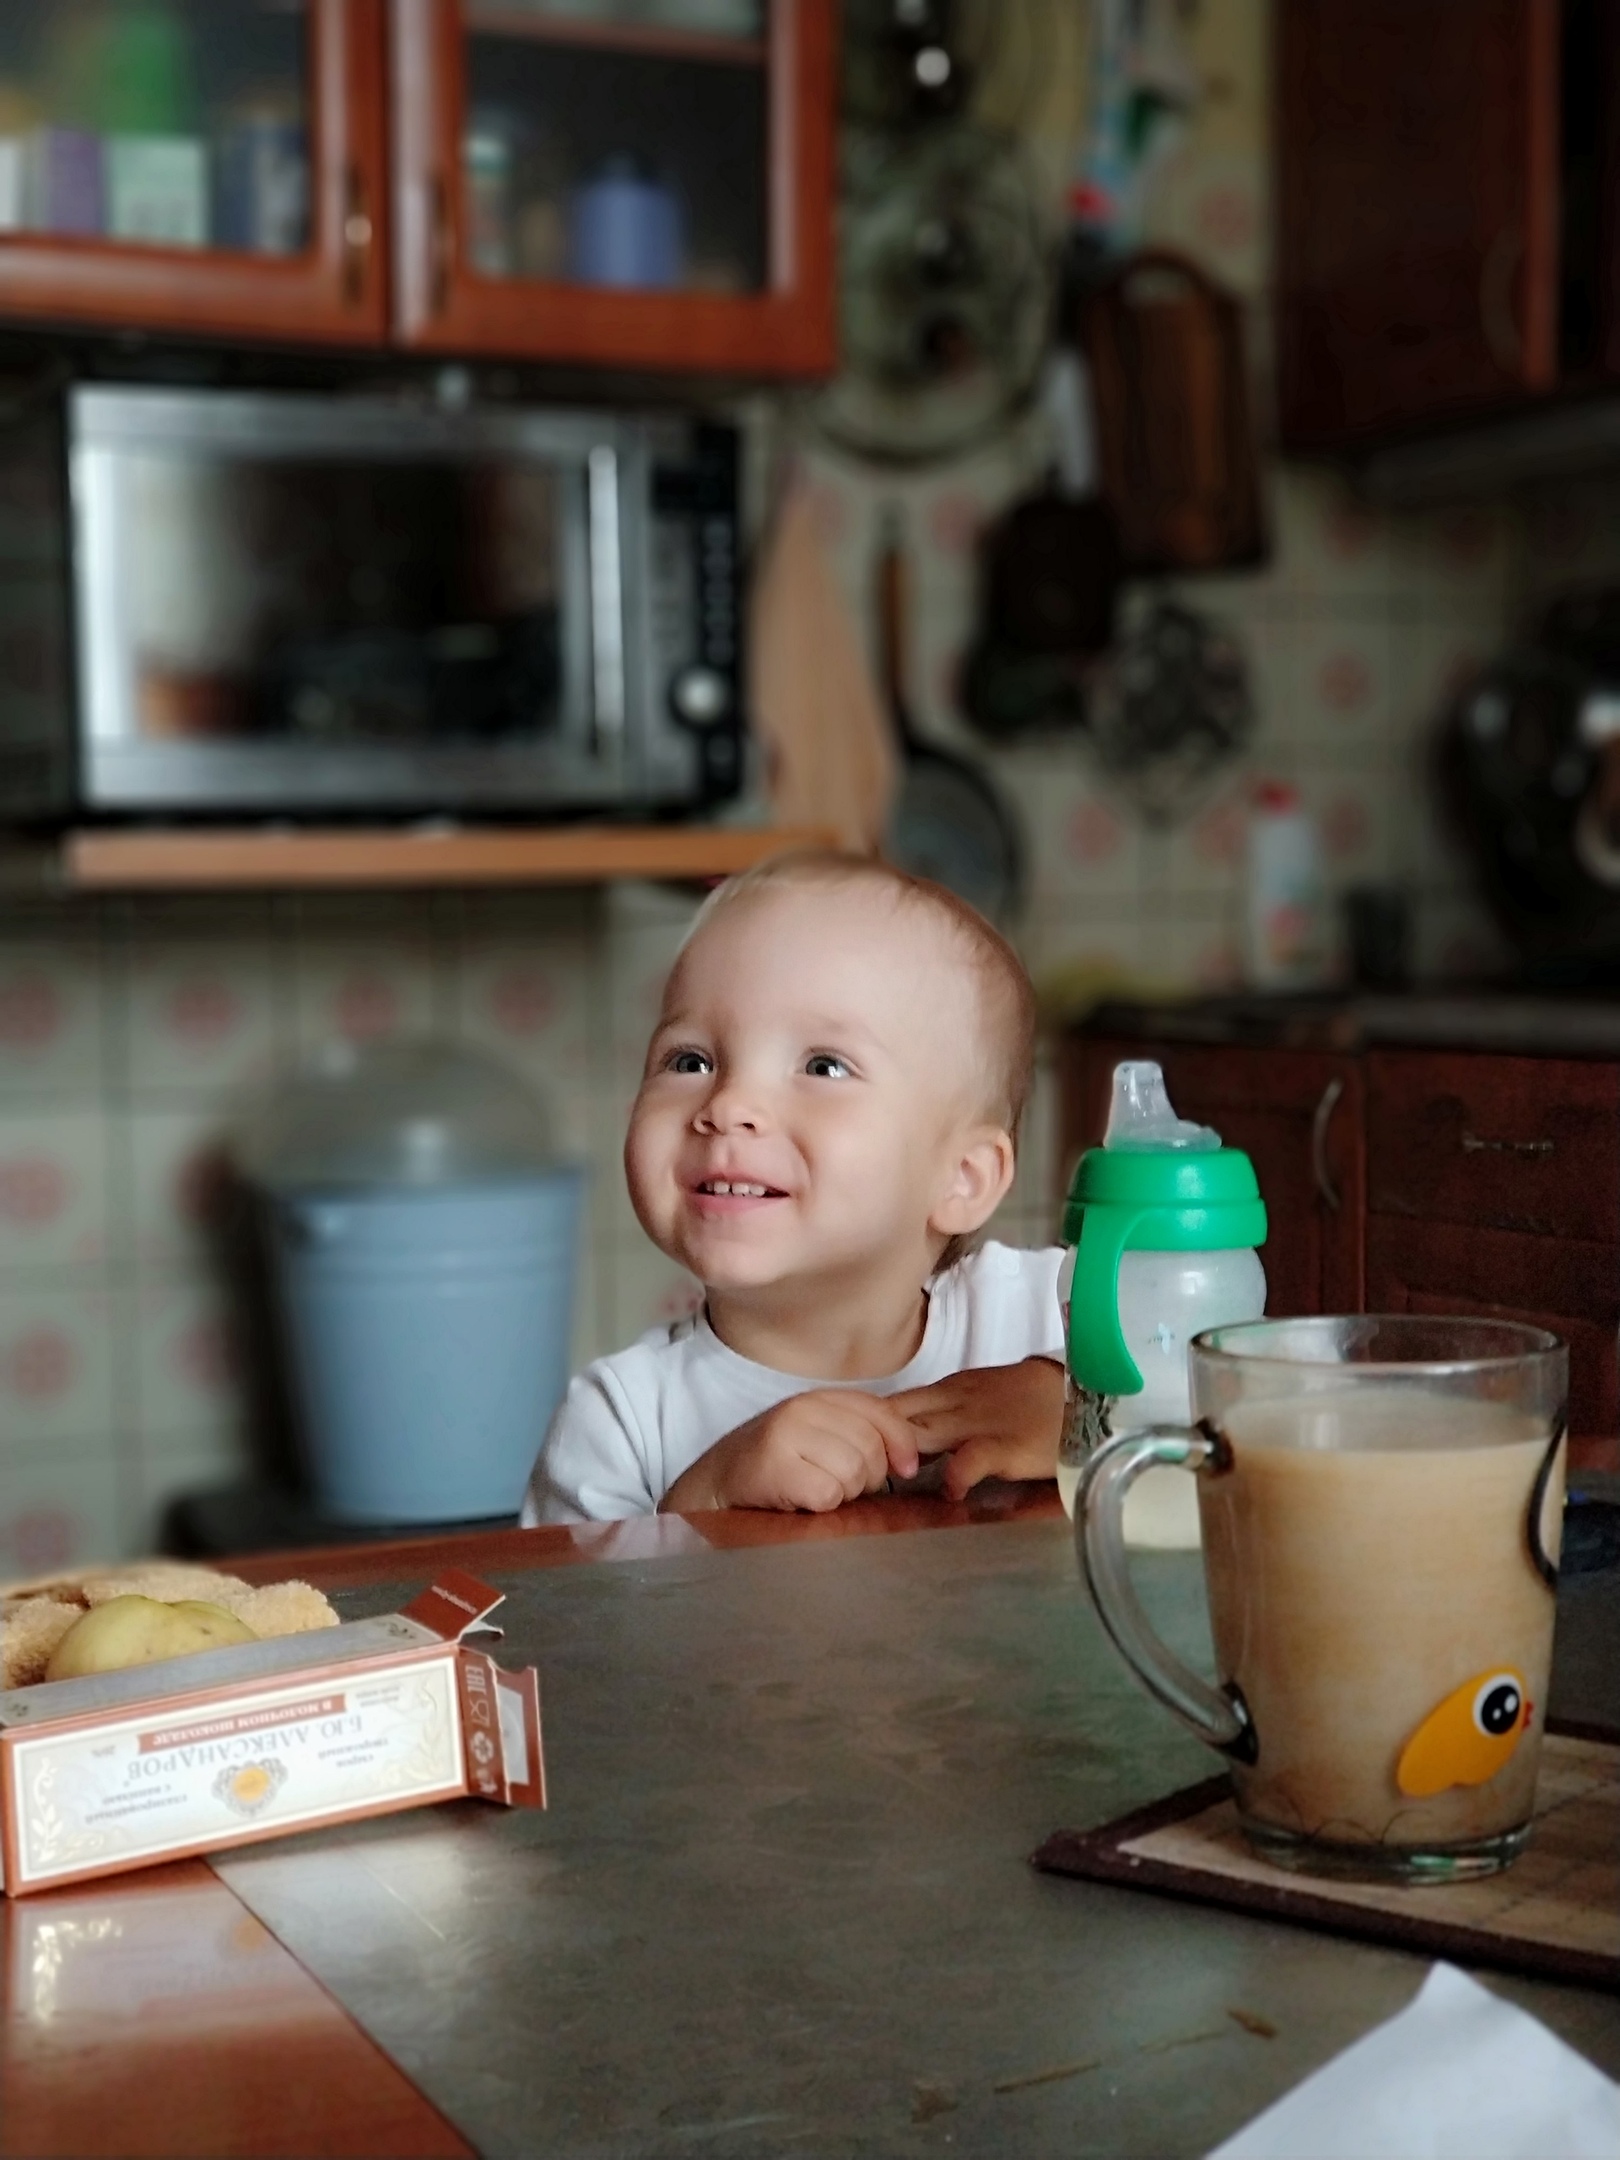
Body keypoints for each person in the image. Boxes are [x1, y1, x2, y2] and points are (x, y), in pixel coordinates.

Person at [521, 850, 1065, 1524]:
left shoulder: (1049, 1314)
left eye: (823, 1066)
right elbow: (577, 1596)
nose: (728, 1104)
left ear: (962, 1177)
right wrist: (708, 1499)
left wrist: (1075, 1403)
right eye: (690, 1060)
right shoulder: (620, 1423)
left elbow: (1194, 1364)